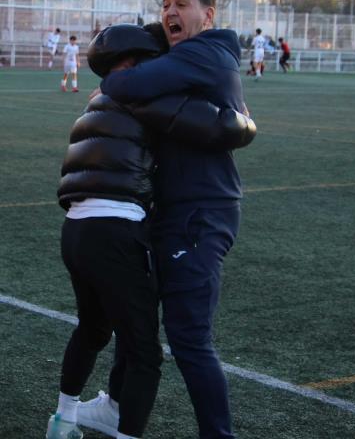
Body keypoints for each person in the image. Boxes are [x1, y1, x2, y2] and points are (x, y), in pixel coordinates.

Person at [47, 23, 256, 439]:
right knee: (145, 353)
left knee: (94, 328)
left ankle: (63, 421)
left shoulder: (98, 101)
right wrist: (246, 120)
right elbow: (221, 127)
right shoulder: (140, 96)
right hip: (115, 231)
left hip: (75, 231)